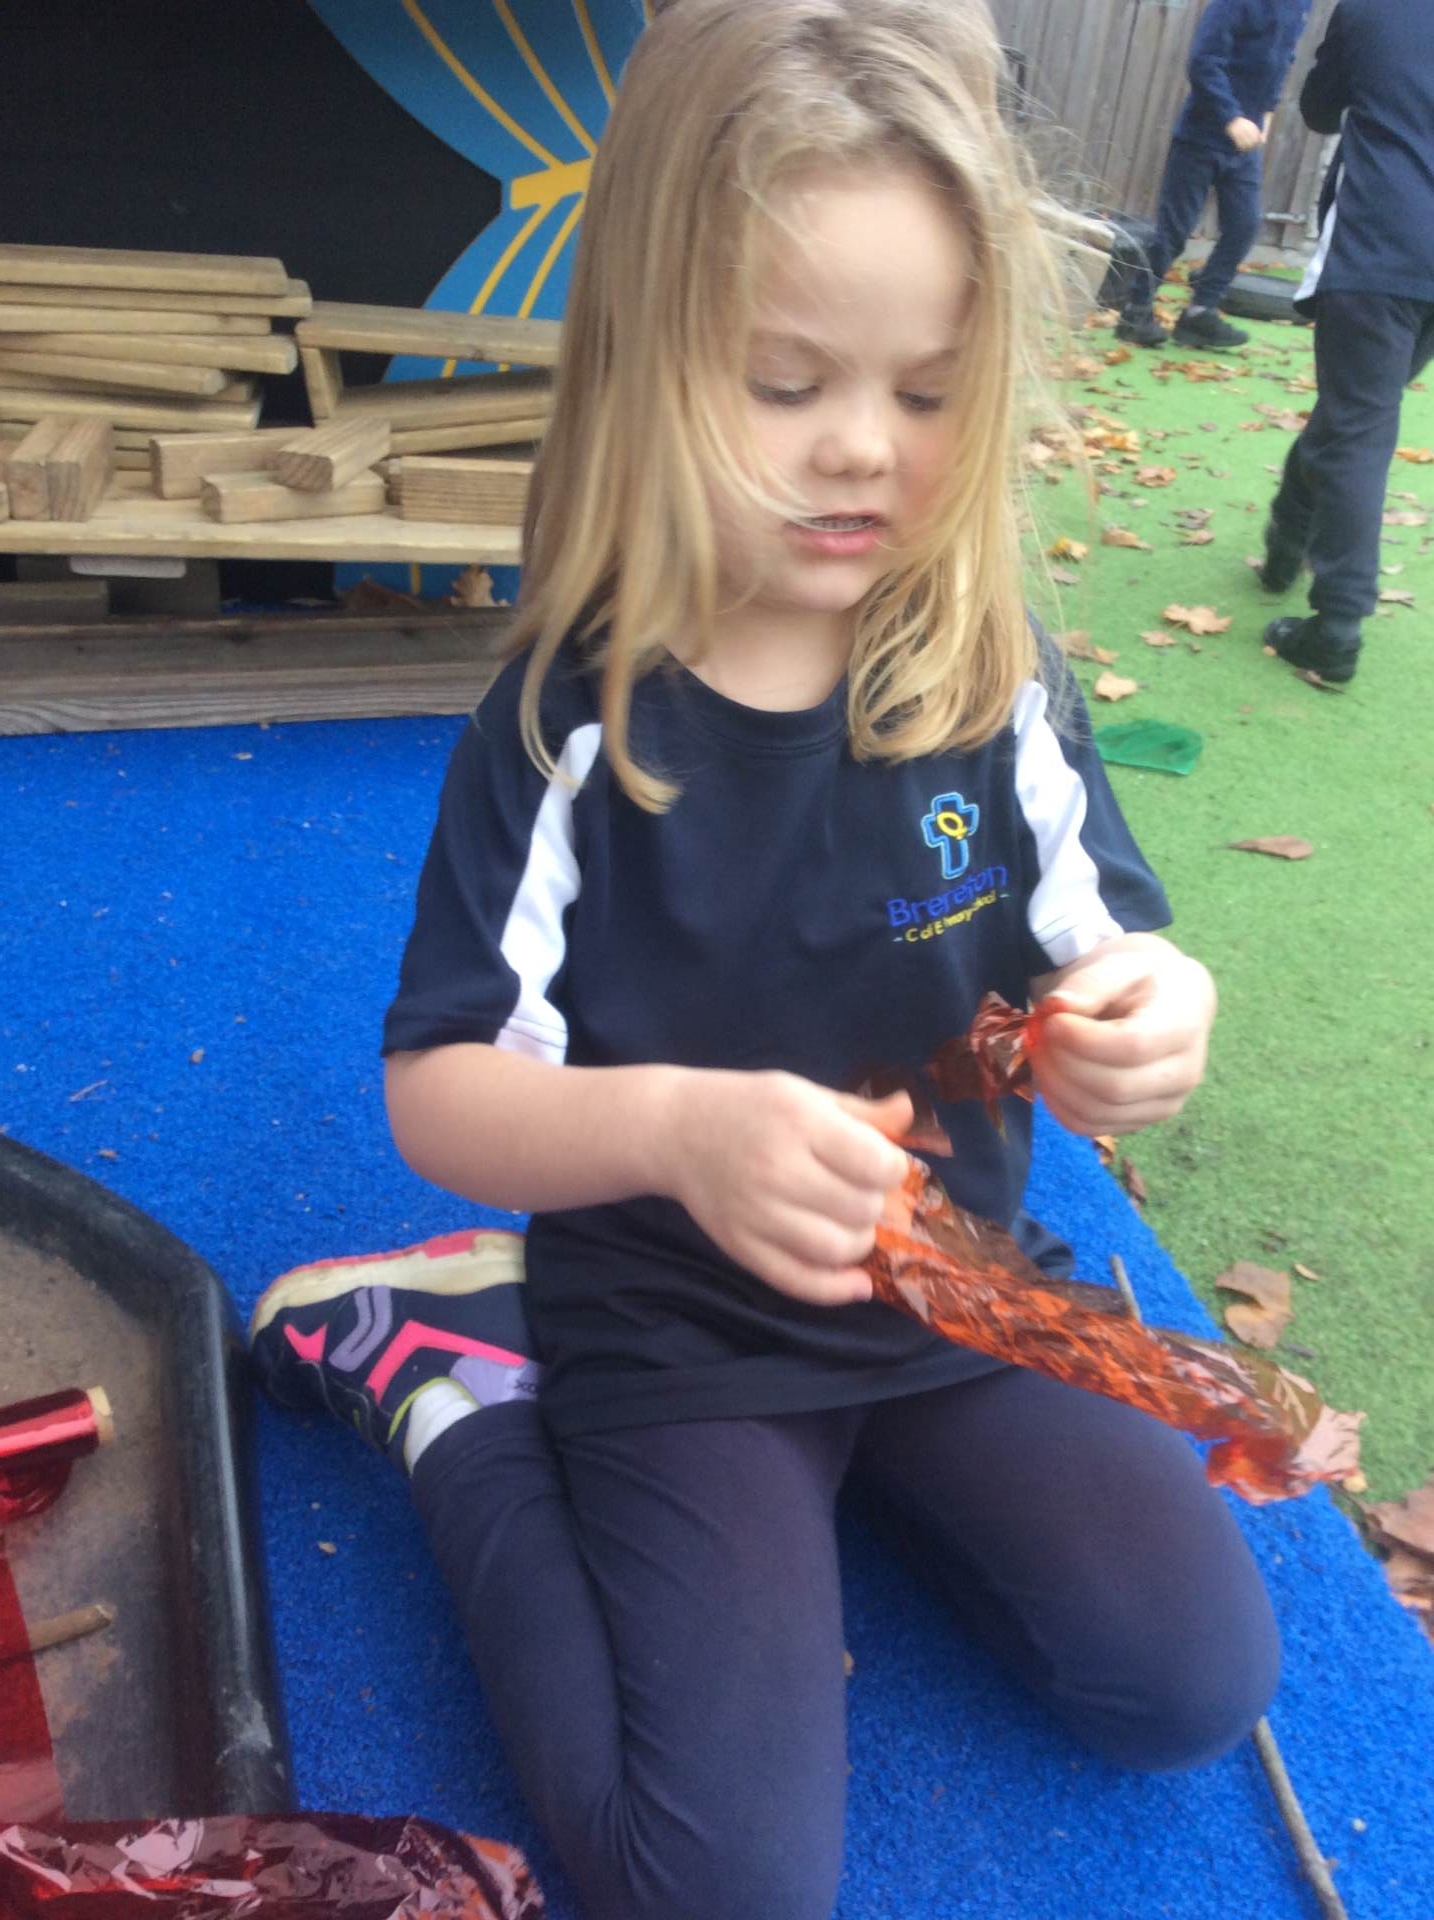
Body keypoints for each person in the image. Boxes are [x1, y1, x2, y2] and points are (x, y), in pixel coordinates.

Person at [249, 6, 1279, 1917]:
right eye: (783, 380)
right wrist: (679, 1132)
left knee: (1185, 1685)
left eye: (926, 389)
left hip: (952, 1293)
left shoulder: (988, 674)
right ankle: (450, 1389)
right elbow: (440, 1087)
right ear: (649, 362)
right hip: (676, 1330)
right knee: (715, 1894)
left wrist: (1152, 1016)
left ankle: (858, 1485)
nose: (859, 446)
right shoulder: (572, 720)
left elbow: (1113, 944)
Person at [1261, 0, 1434, 682]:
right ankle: (1287, 536)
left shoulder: (1372, 8)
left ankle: (1336, 628)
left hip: (1381, 244)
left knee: (1358, 427)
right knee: (1354, 414)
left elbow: (1319, 109)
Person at [1117, 0, 1311, 351]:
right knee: (1174, 231)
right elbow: (1204, 62)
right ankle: (1135, 311)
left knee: (1244, 226)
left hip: (1245, 145)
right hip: (1201, 135)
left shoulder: (1298, 5)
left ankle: (1200, 313)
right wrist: (1231, 117)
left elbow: (1282, 59)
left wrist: (1267, 112)